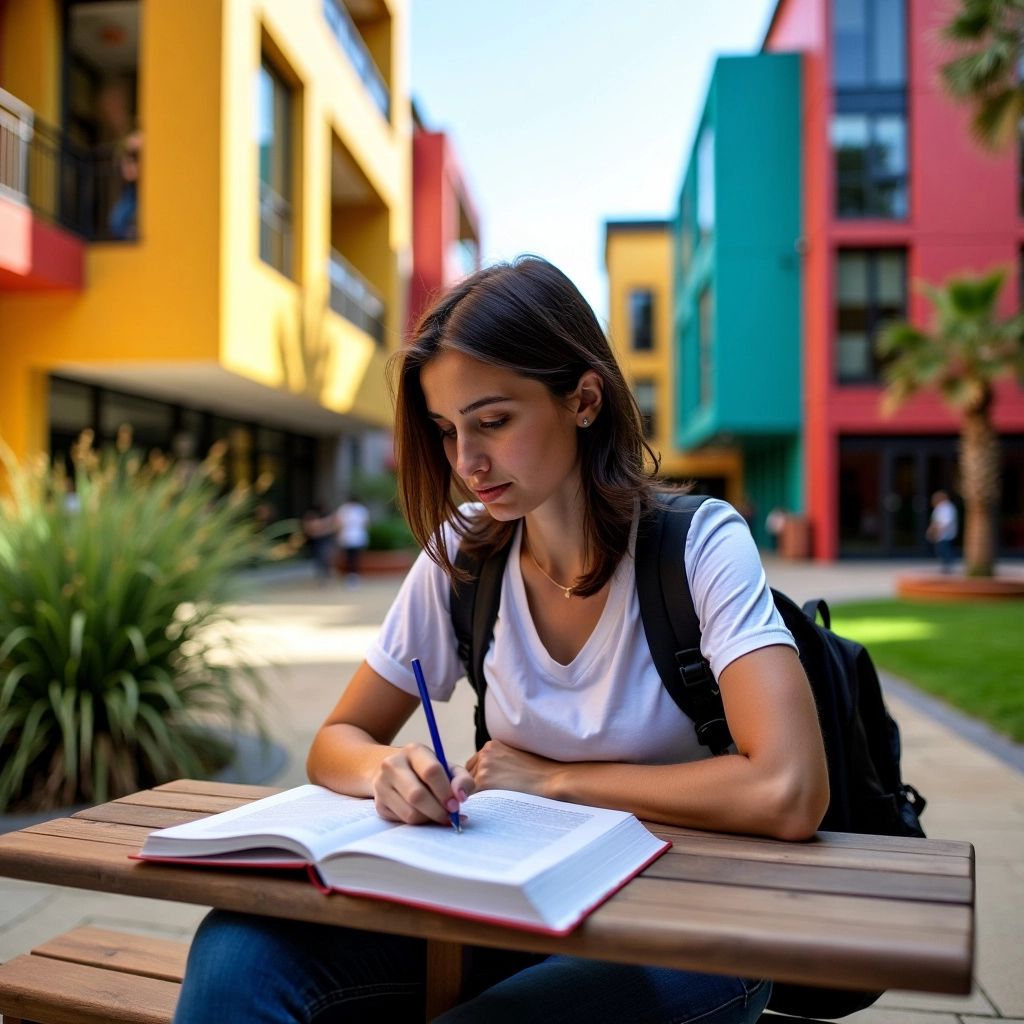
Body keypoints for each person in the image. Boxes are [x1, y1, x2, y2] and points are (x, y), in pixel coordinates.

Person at [172, 256, 829, 1023]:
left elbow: (788, 790)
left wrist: (554, 781)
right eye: (447, 430)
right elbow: (336, 740)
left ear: (583, 400)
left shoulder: (699, 546)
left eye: (492, 421)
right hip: (512, 899)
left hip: (687, 928)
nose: (466, 462)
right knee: (238, 951)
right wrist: (391, 768)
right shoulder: (463, 556)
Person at [334, 494, 371, 580]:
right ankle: (354, 574)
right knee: (355, 557)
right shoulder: (361, 509)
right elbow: (366, 524)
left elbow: (338, 524)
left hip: (347, 537)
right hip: (357, 537)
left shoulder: (343, 509)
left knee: (349, 557)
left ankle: (350, 574)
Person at [926, 490, 958, 574]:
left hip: (945, 534)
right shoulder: (939, 508)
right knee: (941, 550)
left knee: (946, 550)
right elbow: (935, 521)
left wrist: (940, 531)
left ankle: (948, 566)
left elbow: (947, 522)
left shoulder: (948, 507)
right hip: (940, 534)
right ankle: (945, 566)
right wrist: (931, 530)